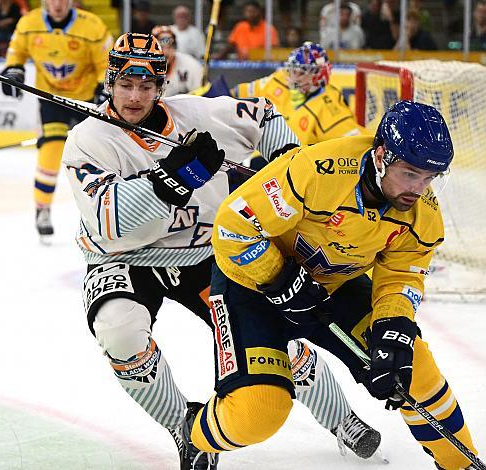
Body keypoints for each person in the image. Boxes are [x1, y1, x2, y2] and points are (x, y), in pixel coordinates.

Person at [62, 32, 382, 469]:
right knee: (117, 330)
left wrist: (284, 164)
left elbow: (266, 117)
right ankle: (184, 427)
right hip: (124, 259)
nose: (134, 96)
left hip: (203, 253)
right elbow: (108, 218)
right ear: (111, 81)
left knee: (274, 341)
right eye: (125, 84)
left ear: (161, 86)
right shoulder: (86, 140)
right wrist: (173, 181)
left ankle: (341, 418)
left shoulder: (196, 114)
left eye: (146, 86)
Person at [189, 100, 481, 470]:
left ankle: (460, 464)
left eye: (429, 178)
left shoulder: (422, 213)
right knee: (258, 413)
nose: (418, 189)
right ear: (381, 156)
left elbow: (401, 276)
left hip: (331, 286)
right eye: (410, 174)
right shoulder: (315, 170)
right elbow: (233, 225)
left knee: (413, 368)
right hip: (251, 287)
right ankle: (194, 432)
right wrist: (279, 278)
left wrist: (394, 330)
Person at [1, 0, 111, 240]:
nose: (57, 4)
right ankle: (42, 209)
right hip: (51, 100)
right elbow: (16, 52)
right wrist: (13, 70)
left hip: (85, 101)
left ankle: (103, 215)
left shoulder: (91, 26)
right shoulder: (29, 23)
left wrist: (104, 87)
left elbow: (106, 63)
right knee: (50, 151)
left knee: (95, 160)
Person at [232, 42, 364, 145]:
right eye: (292, 71)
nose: (293, 78)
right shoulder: (280, 79)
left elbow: (354, 147)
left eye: (300, 72)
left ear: (318, 75)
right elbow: (235, 94)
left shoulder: (329, 106)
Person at [213, 1, 279, 60]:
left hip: (262, 65)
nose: (250, 14)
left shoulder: (269, 29)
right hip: (242, 65)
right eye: (248, 12)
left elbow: (274, 50)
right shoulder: (240, 27)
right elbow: (230, 45)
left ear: (259, 12)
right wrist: (220, 55)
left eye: (253, 11)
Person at [153, 25, 203, 97]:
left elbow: (202, 95)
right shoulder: (143, 66)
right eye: (161, 47)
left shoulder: (191, 65)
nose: (165, 53)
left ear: (175, 47)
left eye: (170, 47)